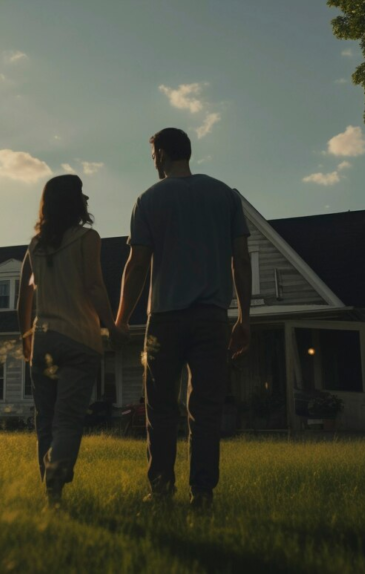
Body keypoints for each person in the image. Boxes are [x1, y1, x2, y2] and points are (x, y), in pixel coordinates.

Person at [115, 127, 252, 508]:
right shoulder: (225, 195)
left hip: (165, 320)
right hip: (212, 318)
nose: (153, 162)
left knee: (159, 409)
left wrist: (121, 318)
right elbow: (240, 259)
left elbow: (137, 264)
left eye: (153, 155)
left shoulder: (149, 199)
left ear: (160, 154)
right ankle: (203, 493)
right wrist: (244, 317)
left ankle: (160, 491)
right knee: (205, 410)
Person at [17, 174, 126, 506]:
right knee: (67, 420)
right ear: (75, 201)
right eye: (82, 194)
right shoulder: (87, 238)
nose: (86, 198)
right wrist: (114, 326)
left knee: (46, 420)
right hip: (80, 340)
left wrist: (26, 339)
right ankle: (57, 472)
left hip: (44, 341)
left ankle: (53, 496)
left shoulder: (35, 246)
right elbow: (94, 286)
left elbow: (25, 298)